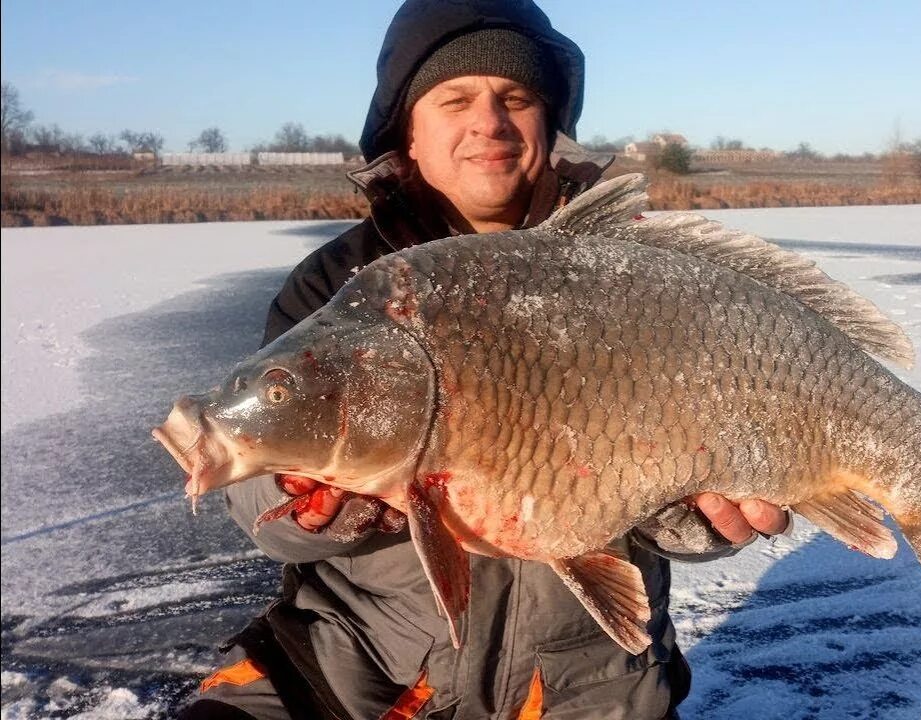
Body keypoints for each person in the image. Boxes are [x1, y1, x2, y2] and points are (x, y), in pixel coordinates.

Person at [179, 2, 789, 718]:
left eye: (517, 98)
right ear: (408, 127)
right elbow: (258, 505)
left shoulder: (635, 274)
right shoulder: (339, 287)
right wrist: (308, 499)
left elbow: (712, 473)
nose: (490, 124)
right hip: (359, 667)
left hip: (590, 685)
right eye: (456, 100)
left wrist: (695, 521)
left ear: (547, 123)